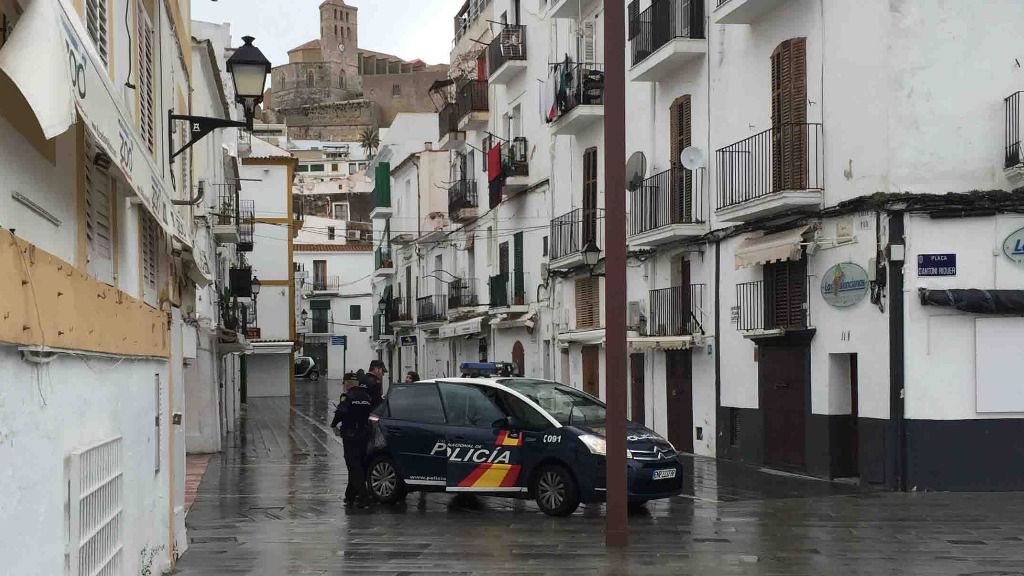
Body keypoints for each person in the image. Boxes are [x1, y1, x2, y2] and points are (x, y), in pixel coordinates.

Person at [331, 378, 374, 507]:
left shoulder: (348, 397)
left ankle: (363, 495)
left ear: (347, 384)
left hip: (350, 435)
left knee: (353, 466)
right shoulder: (367, 397)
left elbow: (341, 412)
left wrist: (333, 424)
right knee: (358, 464)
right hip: (364, 435)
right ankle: (350, 496)